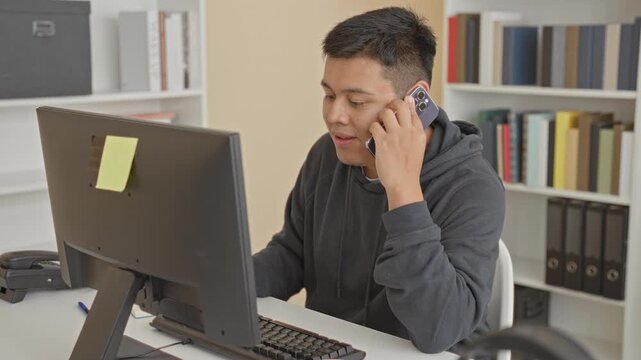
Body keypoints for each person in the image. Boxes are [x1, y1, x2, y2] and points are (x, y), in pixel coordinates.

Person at [252, 6, 505, 354]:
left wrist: (402, 188)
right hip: (335, 349)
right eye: (328, 95)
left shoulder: (472, 186)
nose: (334, 116)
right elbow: (292, 255)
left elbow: (439, 329)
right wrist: (220, 281)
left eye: (356, 101)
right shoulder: (328, 154)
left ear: (415, 102)